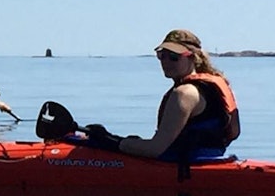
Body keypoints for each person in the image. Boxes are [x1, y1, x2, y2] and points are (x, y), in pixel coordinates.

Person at [84, 29, 240, 161]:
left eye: (174, 57)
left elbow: (155, 149)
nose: (166, 61)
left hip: (185, 167)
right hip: (208, 158)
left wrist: (110, 141)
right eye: (162, 55)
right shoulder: (208, 87)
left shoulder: (184, 93)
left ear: (193, 58)